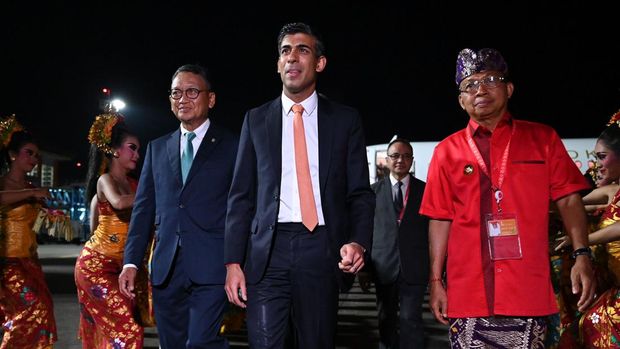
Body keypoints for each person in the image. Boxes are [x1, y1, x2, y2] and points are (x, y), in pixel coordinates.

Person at [419, 48, 596, 348]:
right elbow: (440, 218)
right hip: (468, 297)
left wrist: (582, 255)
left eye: (490, 79)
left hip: (528, 294)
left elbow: (568, 199)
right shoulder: (445, 152)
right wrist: (436, 281)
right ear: (461, 101)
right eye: (470, 85)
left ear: (509, 89)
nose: (480, 89)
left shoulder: (543, 139)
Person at [224, 22, 375, 348]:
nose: (292, 58)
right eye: (285, 51)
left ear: (319, 63)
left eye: (302, 50)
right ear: (278, 65)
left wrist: (358, 241)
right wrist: (233, 262)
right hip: (267, 253)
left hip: (321, 249)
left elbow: (360, 193)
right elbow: (241, 196)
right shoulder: (255, 119)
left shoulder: (345, 120)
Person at [119, 64, 238, 348]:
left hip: (212, 266)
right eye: (176, 93)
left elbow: (242, 207)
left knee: (200, 342)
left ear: (210, 99)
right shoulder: (157, 148)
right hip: (166, 268)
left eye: (192, 91)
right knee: (171, 343)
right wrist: (131, 262)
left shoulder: (233, 146)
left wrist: (239, 261)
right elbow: (143, 211)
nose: (182, 98)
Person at [74, 110, 149, 348]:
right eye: (132, 147)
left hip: (123, 270)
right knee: (128, 331)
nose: (137, 154)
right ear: (114, 150)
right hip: (96, 268)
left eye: (138, 149)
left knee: (119, 332)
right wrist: (154, 195)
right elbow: (118, 203)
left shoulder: (137, 185)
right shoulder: (105, 180)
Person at [555, 110, 620, 347]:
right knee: (575, 335)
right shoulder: (611, 192)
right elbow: (568, 204)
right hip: (612, 292)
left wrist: (583, 240)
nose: (597, 165)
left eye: (602, 156)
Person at [365, 138, 429, 349]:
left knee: (411, 319)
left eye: (405, 156)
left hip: (415, 266)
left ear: (412, 160)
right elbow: (366, 232)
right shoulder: (372, 192)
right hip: (383, 266)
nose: (400, 160)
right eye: (395, 156)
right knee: (386, 320)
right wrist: (364, 269)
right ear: (387, 159)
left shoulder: (425, 191)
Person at [0, 115, 57, 348]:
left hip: (30, 261)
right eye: (28, 152)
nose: (34, 158)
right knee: (29, 310)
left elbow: (38, 225)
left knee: (42, 311)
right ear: (13, 154)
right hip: (7, 263)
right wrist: (31, 195)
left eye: (36, 154)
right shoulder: (4, 184)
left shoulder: (33, 188)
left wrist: (52, 218)